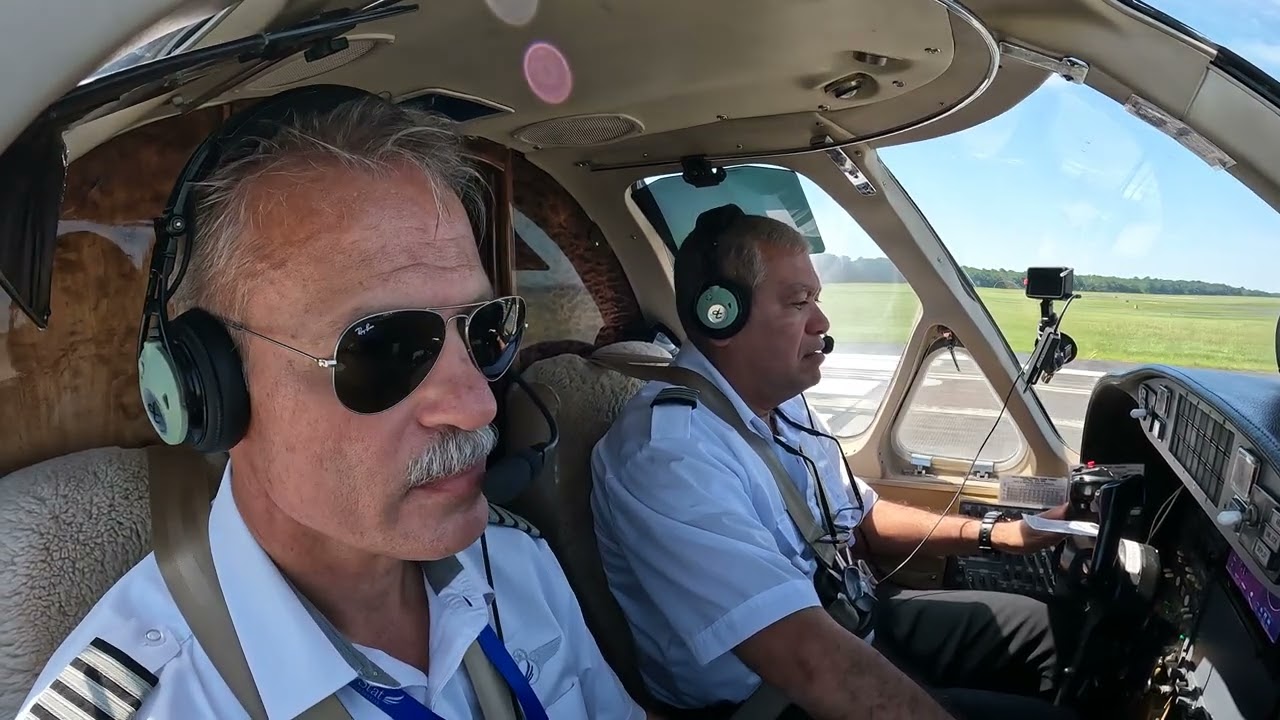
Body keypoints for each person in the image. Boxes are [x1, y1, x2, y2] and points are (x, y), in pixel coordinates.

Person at [16, 86, 648, 720]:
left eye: (484, 331)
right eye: (385, 348)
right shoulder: (147, 700)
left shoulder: (517, 566)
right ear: (210, 389)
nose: (478, 405)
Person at [590, 204, 1080, 720]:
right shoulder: (668, 455)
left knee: (1051, 635)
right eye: (800, 303)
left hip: (850, 619)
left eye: (816, 300)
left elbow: (858, 516)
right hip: (771, 698)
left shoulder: (783, 402)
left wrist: (997, 535)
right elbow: (806, 659)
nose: (822, 323)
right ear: (721, 315)